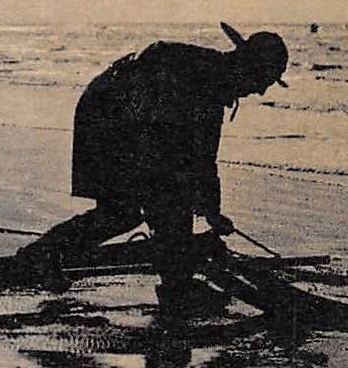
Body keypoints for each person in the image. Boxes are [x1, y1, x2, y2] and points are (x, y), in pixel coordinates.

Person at [19, 22, 289, 306]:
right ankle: (45, 255)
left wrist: (211, 211)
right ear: (248, 67)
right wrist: (197, 210)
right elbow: (173, 160)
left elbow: (203, 159)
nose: (259, 92)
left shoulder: (213, 85)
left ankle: (173, 282)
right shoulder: (197, 78)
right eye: (263, 81)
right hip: (106, 114)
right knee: (136, 208)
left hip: (121, 116)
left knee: (148, 204)